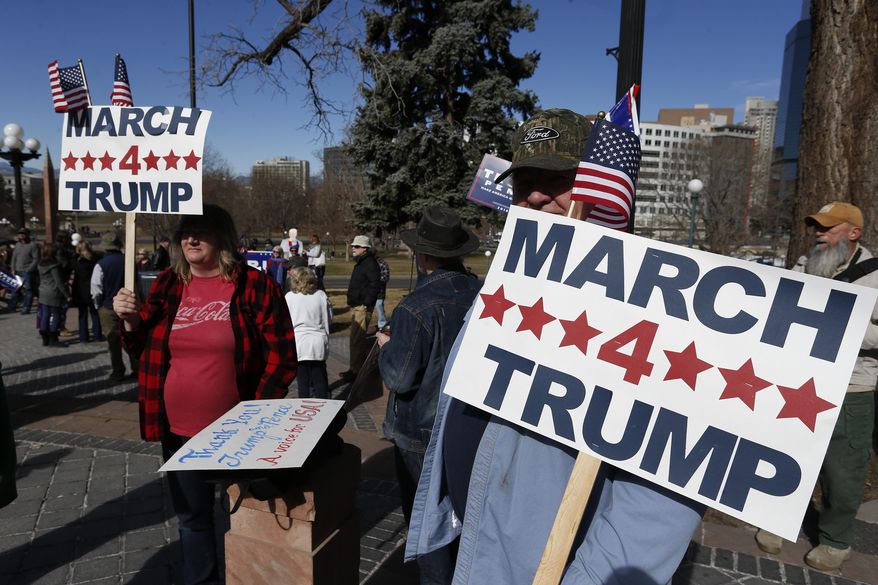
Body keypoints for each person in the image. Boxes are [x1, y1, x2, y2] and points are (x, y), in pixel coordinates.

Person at [406, 109, 704, 585]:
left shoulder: (653, 317)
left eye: (560, 179)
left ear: (598, 189)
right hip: (472, 549)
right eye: (526, 182)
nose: (540, 195)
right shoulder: (504, 287)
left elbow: (662, 504)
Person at [112, 203, 297, 585]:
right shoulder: (168, 283)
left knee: (249, 516)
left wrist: (254, 416)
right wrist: (130, 319)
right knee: (193, 520)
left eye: (202, 231)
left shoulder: (255, 285)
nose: (191, 239)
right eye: (185, 233)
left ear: (223, 238)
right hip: (178, 431)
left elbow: (282, 359)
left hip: (238, 434)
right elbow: (143, 348)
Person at [755, 201, 878, 571]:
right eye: (816, 227)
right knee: (788, 455)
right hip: (802, 381)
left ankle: (836, 540)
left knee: (843, 470)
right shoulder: (807, 262)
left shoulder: (874, 274)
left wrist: (834, 328)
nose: (818, 234)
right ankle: (777, 520)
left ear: (853, 233)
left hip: (852, 388)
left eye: (827, 228)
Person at [377, 205, 481, 584]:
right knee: (466, 521)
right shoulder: (482, 293)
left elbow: (399, 378)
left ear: (422, 256)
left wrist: (387, 345)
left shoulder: (415, 307)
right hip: (470, 425)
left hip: (420, 437)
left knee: (429, 531)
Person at [92, 231, 135, 382]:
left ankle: (118, 371)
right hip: (129, 305)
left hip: (108, 307)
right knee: (132, 338)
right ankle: (136, 368)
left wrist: (98, 306)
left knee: (113, 341)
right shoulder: (129, 261)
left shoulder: (101, 264)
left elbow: (96, 288)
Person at [285, 266, 332, 399]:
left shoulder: (289, 297)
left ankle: (304, 407)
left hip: (299, 342)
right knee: (320, 379)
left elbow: (285, 321)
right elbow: (328, 318)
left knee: (303, 381)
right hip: (318, 340)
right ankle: (324, 408)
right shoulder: (320, 295)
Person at [340, 235, 381, 383]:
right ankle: (355, 368)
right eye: (353, 246)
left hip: (362, 306)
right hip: (357, 305)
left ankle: (357, 372)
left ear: (364, 248)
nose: (353, 248)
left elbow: (375, 284)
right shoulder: (362, 262)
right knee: (355, 339)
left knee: (357, 340)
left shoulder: (369, 263)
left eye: (356, 246)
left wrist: (366, 303)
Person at [37, 242, 69, 347]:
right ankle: (53, 338)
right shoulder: (54, 266)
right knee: (55, 314)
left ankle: (44, 338)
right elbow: (59, 282)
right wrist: (67, 294)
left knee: (45, 314)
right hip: (53, 292)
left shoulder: (40, 264)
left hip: (43, 291)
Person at [71, 241, 102, 343]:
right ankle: (97, 335)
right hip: (93, 288)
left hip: (81, 289)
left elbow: (75, 277)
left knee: (82, 314)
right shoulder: (95, 259)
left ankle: (83, 337)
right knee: (95, 313)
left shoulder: (77, 261)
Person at [10, 228, 39, 314]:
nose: (21, 235)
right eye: (20, 233)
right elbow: (14, 258)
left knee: (28, 290)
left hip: (27, 271)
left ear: (28, 234)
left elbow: (36, 259)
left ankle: (26, 308)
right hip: (17, 271)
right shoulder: (18, 244)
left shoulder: (33, 245)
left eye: (24, 233)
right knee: (15, 289)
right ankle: (12, 306)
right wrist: (13, 268)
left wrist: (29, 269)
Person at [375, 253, 391, 330]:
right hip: (368, 292)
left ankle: (382, 326)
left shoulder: (382, 263)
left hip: (379, 291)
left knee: (379, 307)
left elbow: (385, 278)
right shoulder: (368, 263)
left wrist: (375, 279)